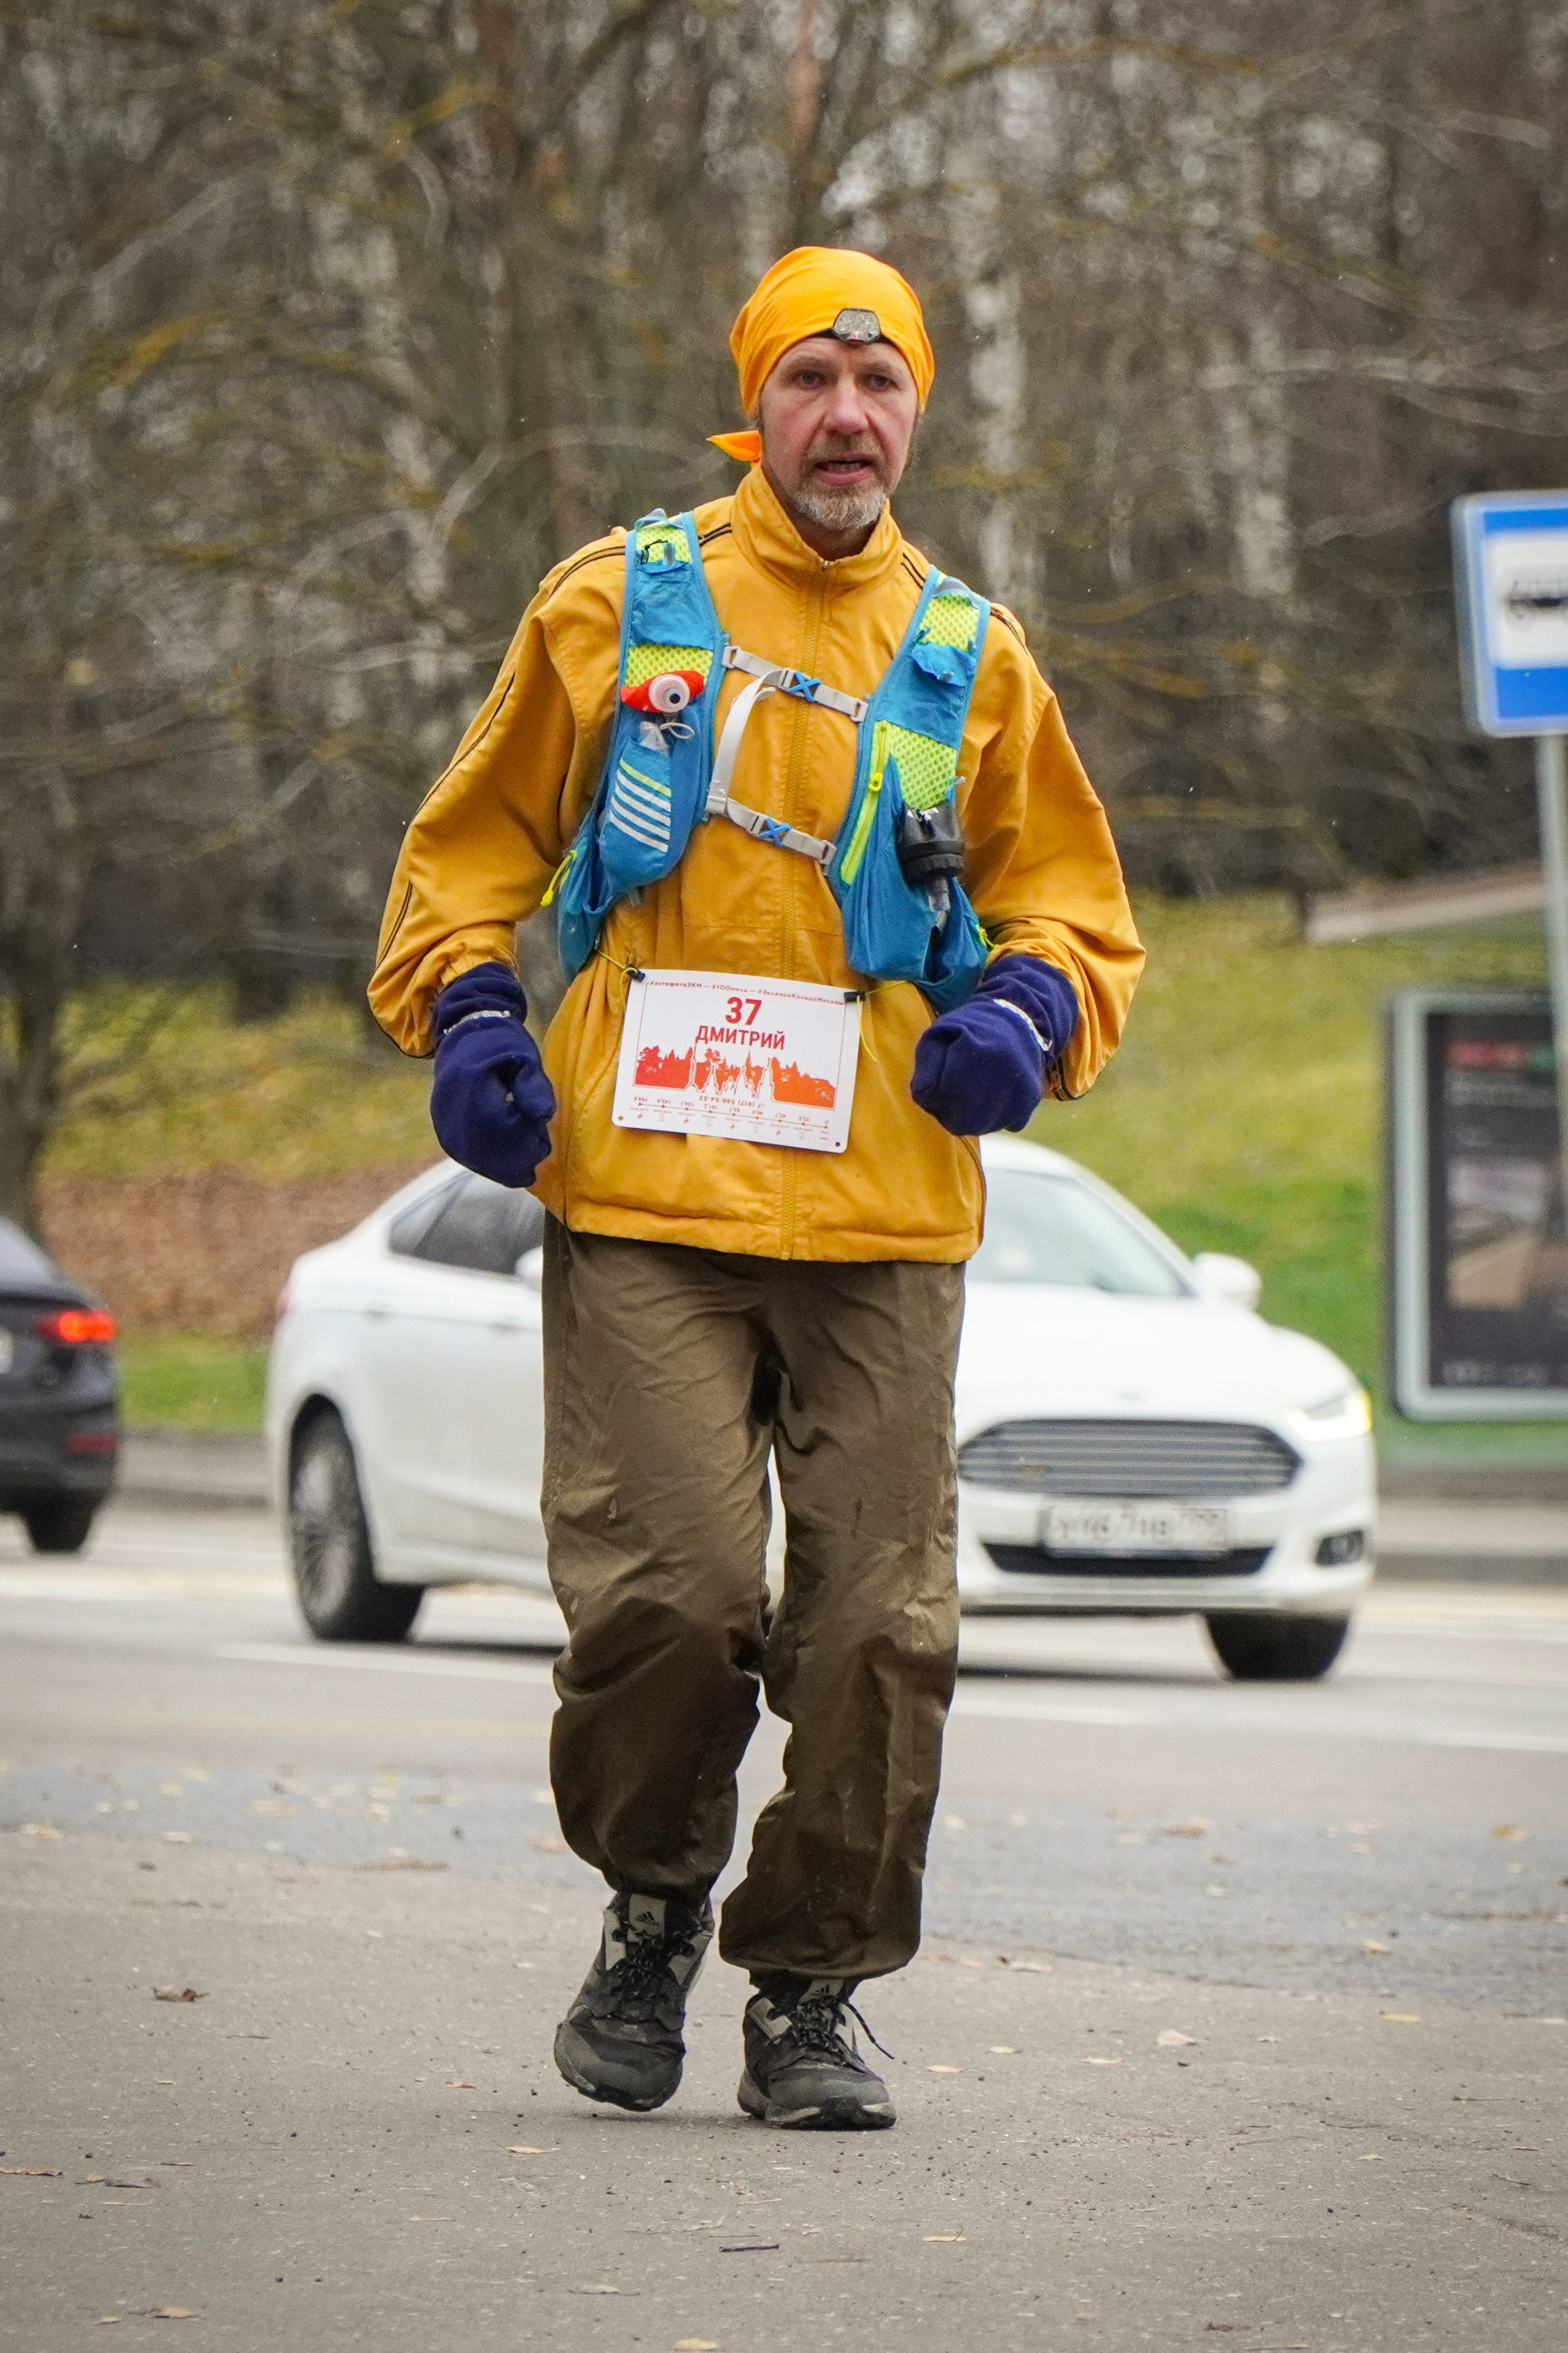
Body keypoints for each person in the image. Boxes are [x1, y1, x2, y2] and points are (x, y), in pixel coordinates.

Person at [369, 246, 1143, 2132]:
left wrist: (1024, 1010)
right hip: (643, 1198)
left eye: (883, 385)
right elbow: (459, 865)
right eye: (815, 379)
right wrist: (476, 1021)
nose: (850, 416)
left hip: (880, 1215)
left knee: (882, 1624)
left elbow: (1080, 909)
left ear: (920, 412)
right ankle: (650, 1907)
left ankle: (807, 1989)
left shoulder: (972, 653)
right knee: (675, 1597)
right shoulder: (613, 610)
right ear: (759, 404)